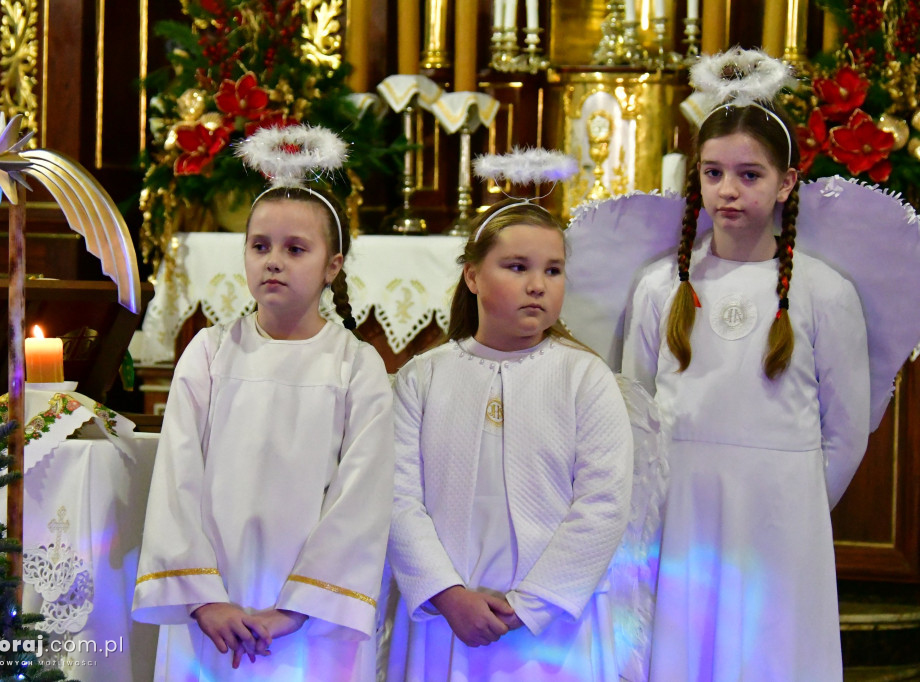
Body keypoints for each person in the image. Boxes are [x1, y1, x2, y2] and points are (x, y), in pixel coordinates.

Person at [621, 50, 870, 680]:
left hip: (781, 515)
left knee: (771, 651)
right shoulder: (659, 288)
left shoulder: (825, 293)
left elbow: (845, 431)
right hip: (684, 506)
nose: (728, 190)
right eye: (713, 173)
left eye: (750, 175)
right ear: (696, 179)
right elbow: (636, 411)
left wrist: (798, 502)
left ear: (786, 183)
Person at [132, 126, 394, 682]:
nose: (274, 260)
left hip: (311, 624)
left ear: (333, 265)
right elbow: (176, 478)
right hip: (214, 611)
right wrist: (204, 600)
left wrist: (296, 608)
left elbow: (362, 498)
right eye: (261, 246)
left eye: (296, 249)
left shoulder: (355, 366)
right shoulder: (208, 354)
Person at [384, 193, 635, 681]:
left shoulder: (584, 377)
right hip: (448, 618)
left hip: (552, 626)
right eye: (517, 267)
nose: (537, 285)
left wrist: (533, 604)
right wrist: (447, 594)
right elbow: (397, 497)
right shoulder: (423, 379)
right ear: (473, 276)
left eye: (553, 270)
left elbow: (604, 501)